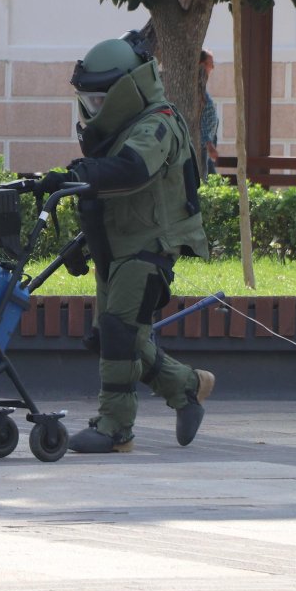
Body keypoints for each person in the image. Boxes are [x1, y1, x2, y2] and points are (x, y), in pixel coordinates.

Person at [34, 31, 216, 454]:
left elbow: (132, 170)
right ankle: (188, 387)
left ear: (126, 91)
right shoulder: (121, 125)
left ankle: (116, 428)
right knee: (115, 338)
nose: (94, 109)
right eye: (90, 100)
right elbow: (109, 189)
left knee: (118, 331)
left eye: (101, 100)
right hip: (114, 248)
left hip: (148, 246)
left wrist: (78, 175)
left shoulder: (159, 122)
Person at [199, 50, 219, 175]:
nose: (212, 67)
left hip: (208, 142)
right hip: (204, 145)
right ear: (200, 64)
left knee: (211, 179)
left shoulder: (201, 86)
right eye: (209, 64)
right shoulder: (197, 88)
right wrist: (209, 144)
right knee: (207, 179)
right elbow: (200, 121)